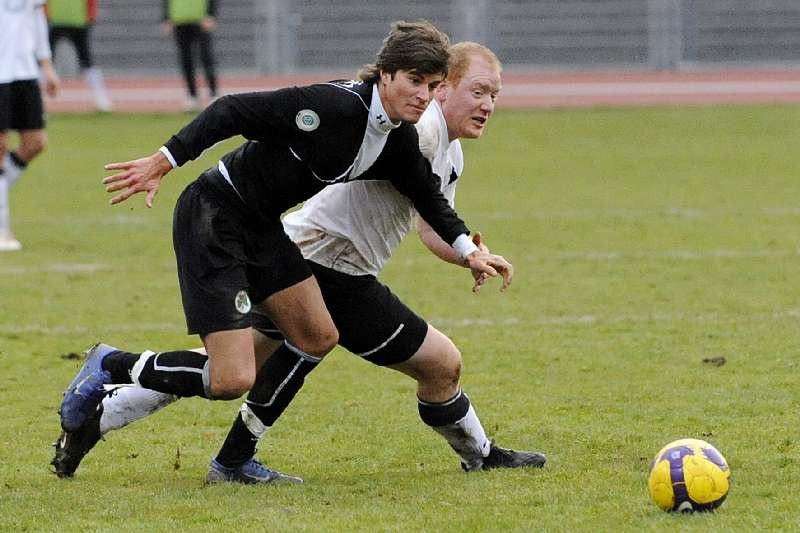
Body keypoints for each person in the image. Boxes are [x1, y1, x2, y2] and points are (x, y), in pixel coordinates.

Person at [52, 42, 546, 482]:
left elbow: (430, 207)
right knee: (239, 375)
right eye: (474, 90)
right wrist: (164, 160)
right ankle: (111, 366)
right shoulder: (355, 111)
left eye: (432, 84)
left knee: (277, 350)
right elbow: (232, 109)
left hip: (268, 230)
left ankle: (130, 424)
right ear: (389, 75)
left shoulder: (405, 137)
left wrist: (469, 251)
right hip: (227, 223)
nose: (487, 104)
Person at [0, 0, 60, 251]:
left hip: (24, 72)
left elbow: (37, 19)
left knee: (36, 143)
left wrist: (46, 66)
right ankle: (3, 230)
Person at [48, 0, 113, 112]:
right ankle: (37, 102)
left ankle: (101, 99)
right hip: (56, 21)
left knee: (87, 61)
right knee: (45, 61)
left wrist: (91, 15)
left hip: (78, 22)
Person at [162, 0, 219, 111]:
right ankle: (192, 96)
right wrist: (166, 17)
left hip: (201, 20)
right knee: (186, 61)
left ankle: (213, 93)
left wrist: (211, 14)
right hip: (179, 20)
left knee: (206, 58)